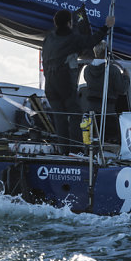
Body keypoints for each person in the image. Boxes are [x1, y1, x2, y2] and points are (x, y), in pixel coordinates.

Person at [42, 9, 108, 153]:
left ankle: (64, 151)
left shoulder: (48, 38)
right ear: (69, 23)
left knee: (60, 118)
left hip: (49, 85)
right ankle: (75, 150)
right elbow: (90, 41)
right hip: (64, 82)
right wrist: (106, 27)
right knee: (75, 114)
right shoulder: (71, 38)